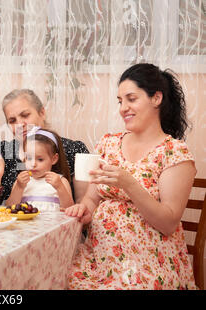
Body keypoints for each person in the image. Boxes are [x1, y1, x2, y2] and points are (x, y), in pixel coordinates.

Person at [65, 63, 197, 290]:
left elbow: (168, 222)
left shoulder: (174, 152)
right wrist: (84, 209)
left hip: (148, 263)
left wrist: (128, 183)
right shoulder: (109, 143)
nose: (123, 108)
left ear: (156, 98)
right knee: (54, 276)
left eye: (131, 99)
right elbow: (92, 198)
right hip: (99, 257)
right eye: (120, 101)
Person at [0, 89, 90, 204]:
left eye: (25, 115)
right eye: (12, 121)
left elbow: (83, 203)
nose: (20, 124)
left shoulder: (73, 149)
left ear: (42, 113)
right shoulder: (4, 150)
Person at [5, 127, 74, 211]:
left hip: (53, 223)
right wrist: (19, 188)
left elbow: (70, 209)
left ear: (54, 159)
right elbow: (8, 208)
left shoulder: (60, 181)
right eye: (29, 158)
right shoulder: (21, 182)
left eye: (40, 159)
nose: (33, 164)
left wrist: (60, 187)